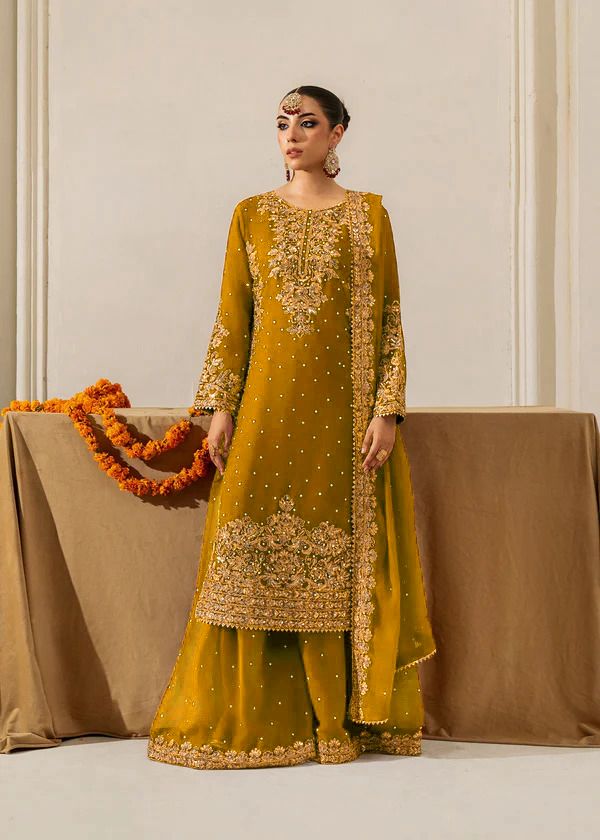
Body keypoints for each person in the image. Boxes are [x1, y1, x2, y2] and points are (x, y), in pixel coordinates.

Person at [147, 85, 436, 770]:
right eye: (283, 123)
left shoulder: (369, 216)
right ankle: (251, 712)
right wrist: (221, 409)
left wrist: (386, 409)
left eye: (307, 122)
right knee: (245, 548)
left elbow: (389, 318)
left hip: (341, 419)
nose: (292, 134)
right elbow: (233, 317)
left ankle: (334, 719)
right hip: (266, 409)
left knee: (337, 561)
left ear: (337, 134)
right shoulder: (251, 215)